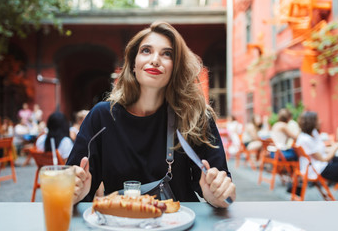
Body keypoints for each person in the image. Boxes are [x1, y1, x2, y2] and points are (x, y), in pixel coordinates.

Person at [67, 21, 236, 207]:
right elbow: (73, 188)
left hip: (181, 225)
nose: (155, 60)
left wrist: (217, 196)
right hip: (122, 225)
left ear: (175, 67)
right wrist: (77, 193)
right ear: (133, 64)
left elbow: (224, 195)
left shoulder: (195, 116)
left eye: (167, 54)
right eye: (146, 51)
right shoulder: (101, 117)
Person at [295, 111, 338, 183]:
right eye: (317, 120)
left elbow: (323, 150)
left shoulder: (313, 133)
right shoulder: (305, 140)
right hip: (318, 169)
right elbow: (324, 159)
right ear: (312, 122)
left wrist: (337, 146)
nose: (320, 121)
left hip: (323, 163)